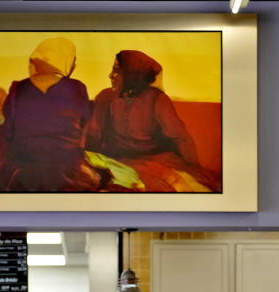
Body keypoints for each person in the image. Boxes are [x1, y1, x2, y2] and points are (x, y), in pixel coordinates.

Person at [84, 50, 220, 192]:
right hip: (119, 162)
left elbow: (180, 138)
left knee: (185, 185)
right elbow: (93, 136)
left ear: (132, 75)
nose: (110, 75)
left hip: (156, 161)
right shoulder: (105, 97)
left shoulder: (157, 99)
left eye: (117, 71)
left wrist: (193, 167)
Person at [0, 37, 100, 192]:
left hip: (23, 162)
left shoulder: (18, 88)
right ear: (65, 61)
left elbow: (8, 131)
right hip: (66, 164)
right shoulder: (77, 88)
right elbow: (82, 125)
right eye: (73, 61)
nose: (74, 65)